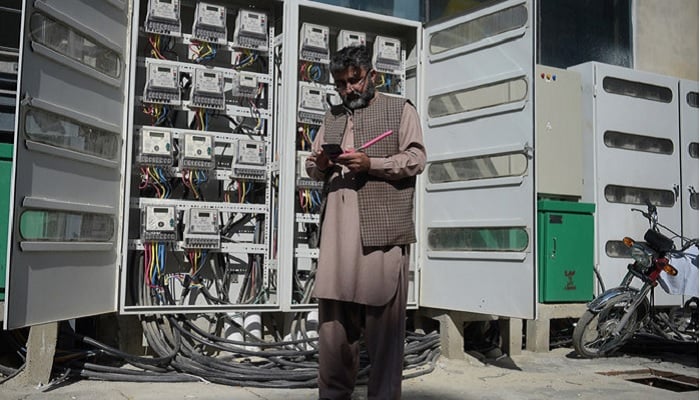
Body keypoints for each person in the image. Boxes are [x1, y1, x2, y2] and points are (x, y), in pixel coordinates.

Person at [306, 45, 426, 400]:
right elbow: (311, 165)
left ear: (372, 76)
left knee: (385, 335)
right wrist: (321, 165)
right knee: (333, 334)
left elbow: (417, 158)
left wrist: (372, 163)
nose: (348, 90)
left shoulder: (399, 109)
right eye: (341, 84)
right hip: (336, 240)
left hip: (382, 236)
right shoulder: (332, 117)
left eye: (354, 81)